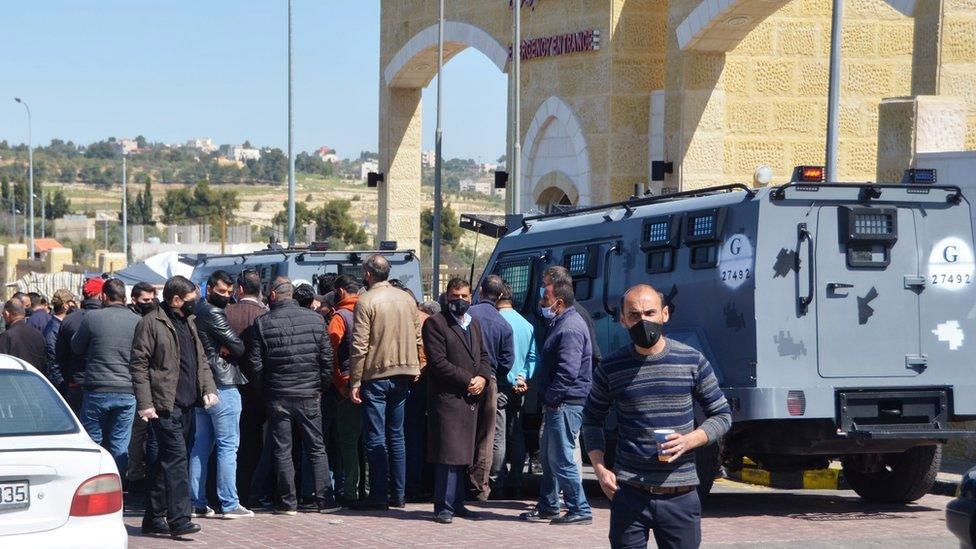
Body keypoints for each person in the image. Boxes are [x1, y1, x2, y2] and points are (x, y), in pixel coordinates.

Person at [583, 284, 732, 549]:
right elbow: (592, 420)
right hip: (628, 494)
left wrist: (689, 440)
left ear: (665, 314)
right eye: (634, 315)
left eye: (650, 313)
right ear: (623, 320)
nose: (643, 321)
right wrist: (599, 468)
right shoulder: (611, 368)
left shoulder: (691, 361)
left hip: (680, 496)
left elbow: (721, 415)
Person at [130, 275, 218, 538]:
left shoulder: (189, 321)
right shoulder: (151, 323)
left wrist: (209, 388)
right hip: (163, 406)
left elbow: (200, 359)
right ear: (176, 299)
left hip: (188, 405)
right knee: (177, 460)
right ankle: (179, 519)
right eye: (191, 300)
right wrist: (146, 404)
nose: (196, 304)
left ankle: (153, 517)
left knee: (166, 462)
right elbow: (139, 365)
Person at [247, 276, 339, 515]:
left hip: (278, 395)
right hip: (309, 393)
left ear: (274, 296)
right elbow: (326, 359)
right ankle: (324, 500)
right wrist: (321, 386)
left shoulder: (262, 322)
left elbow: (255, 365)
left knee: (282, 449)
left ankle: (288, 502)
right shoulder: (316, 319)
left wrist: (264, 392)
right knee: (317, 447)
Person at [348, 254, 422, 510]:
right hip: (403, 373)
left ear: (368, 274)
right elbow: (417, 335)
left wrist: (355, 381)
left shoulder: (366, 300)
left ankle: (379, 495)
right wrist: (418, 365)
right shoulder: (406, 298)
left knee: (375, 436)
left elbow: (359, 345)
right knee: (397, 436)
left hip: (376, 375)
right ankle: (398, 495)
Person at [520, 280, 593, 525]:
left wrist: (552, 397)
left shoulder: (570, 327)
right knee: (551, 458)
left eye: (546, 299)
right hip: (559, 403)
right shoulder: (561, 323)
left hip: (564, 403)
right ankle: (549, 505)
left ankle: (579, 508)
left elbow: (568, 371)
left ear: (559, 302)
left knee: (561, 458)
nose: (542, 303)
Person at [421, 278, 492, 524]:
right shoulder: (436, 323)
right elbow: (438, 363)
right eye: (455, 295)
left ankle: (458, 502)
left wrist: (483, 377)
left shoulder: (474, 325)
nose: (459, 300)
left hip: (470, 398)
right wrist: (468, 380)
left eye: (464, 295)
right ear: (446, 296)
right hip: (448, 398)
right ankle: (444, 506)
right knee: (448, 455)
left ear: (471, 297)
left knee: (463, 454)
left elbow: (484, 355)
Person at [188, 270, 252, 519]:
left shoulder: (197, 311)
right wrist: (226, 345)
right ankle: (229, 502)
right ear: (209, 288)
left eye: (229, 292)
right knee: (227, 445)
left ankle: (197, 501)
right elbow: (238, 347)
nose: (226, 296)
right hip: (222, 385)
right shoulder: (213, 313)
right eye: (222, 291)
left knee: (201, 444)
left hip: (203, 384)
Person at [72, 278, 141, 476]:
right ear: (125, 297)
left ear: (103, 296)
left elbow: (76, 348)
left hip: (97, 389)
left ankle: (94, 487)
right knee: (120, 445)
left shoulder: (92, 318)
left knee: (94, 444)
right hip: (127, 391)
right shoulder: (137, 321)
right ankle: (118, 490)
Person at [465, 275, 514, 501]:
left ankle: (458, 483)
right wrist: (493, 376)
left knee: (463, 433)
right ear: (501, 295)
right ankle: (479, 487)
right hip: (490, 382)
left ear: (481, 291)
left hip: (463, 379)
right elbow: (507, 360)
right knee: (487, 436)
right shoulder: (503, 323)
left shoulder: (467, 316)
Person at [224, 269, 268, 508]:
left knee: (229, 442)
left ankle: (231, 490)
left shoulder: (226, 313)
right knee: (255, 442)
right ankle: (251, 491)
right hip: (258, 388)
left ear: (239, 289)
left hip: (230, 384)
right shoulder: (265, 314)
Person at [491, 283, 538, 498]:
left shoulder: (495, 322)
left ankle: (497, 482)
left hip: (500, 384)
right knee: (516, 433)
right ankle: (517, 481)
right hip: (519, 387)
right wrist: (523, 376)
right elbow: (533, 357)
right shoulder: (526, 324)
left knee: (498, 436)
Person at [329, 275, 367, 505]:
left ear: (341, 292)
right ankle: (369, 491)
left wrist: (339, 383)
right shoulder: (370, 312)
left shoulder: (339, 317)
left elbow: (329, 352)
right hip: (372, 384)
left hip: (347, 385)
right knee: (371, 440)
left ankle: (350, 492)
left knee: (348, 442)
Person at [126, 283, 160, 497]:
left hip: (148, 384)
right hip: (135, 385)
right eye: (144, 300)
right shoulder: (135, 321)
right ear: (134, 299)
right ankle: (135, 475)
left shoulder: (151, 318)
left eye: (151, 300)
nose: (148, 303)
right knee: (137, 434)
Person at [56, 277, 104, 413]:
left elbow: (60, 355)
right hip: (100, 385)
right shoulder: (107, 318)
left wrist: (69, 379)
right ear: (102, 295)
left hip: (76, 383)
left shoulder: (69, 319)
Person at [42, 289, 77, 390]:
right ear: (66, 306)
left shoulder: (59, 325)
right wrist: (61, 384)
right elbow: (52, 359)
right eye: (72, 302)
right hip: (60, 382)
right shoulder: (54, 329)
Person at [0, 297, 46, 368]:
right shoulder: (38, 333)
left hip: (15, 377)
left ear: (7, 314)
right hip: (37, 376)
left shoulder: (6, 336)